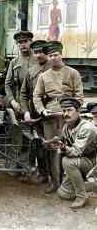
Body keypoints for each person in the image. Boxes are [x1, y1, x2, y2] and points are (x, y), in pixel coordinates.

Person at [33, 41, 84, 193]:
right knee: (51, 149)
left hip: (69, 118)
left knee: (70, 149)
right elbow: (37, 96)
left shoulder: (72, 73)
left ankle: (70, 184)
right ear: (47, 57)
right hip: (50, 118)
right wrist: (42, 110)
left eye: (56, 55)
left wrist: (71, 112)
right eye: (50, 56)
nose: (53, 58)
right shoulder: (43, 76)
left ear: (61, 55)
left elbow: (80, 97)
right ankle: (55, 182)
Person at [56, 98, 97, 209]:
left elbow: (75, 152)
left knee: (67, 161)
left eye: (69, 110)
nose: (66, 114)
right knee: (63, 194)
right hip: (81, 161)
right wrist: (57, 146)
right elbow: (66, 148)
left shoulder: (86, 128)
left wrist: (63, 148)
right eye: (64, 111)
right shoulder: (67, 127)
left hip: (92, 162)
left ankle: (81, 196)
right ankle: (90, 185)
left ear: (78, 111)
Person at [20, 40, 51, 183]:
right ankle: (43, 173)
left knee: (52, 145)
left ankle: (57, 177)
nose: (38, 55)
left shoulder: (54, 68)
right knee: (38, 145)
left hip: (51, 115)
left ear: (47, 53)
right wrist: (26, 111)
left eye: (41, 52)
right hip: (35, 115)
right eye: (36, 52)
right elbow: (24, 94)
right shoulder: (31, 70)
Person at [5, 31, 36, 116]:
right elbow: (7, 85)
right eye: (20, 42)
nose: (23, 45)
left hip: (37, 103)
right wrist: (12, 101)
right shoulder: (14, 62)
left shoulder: (38, 60)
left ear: (31, 42)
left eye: (25, 41)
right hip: (20, 104)